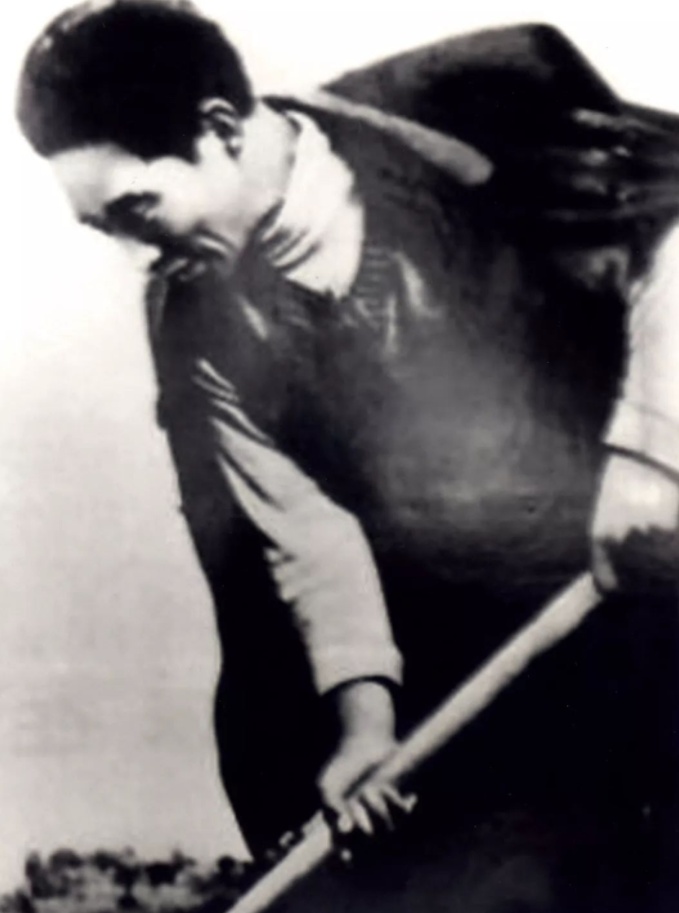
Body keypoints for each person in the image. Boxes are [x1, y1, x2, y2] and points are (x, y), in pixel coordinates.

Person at [16, 2, 679, 910]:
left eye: (138, 209)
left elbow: (668, 225)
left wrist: (653, 448)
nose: (137, 257)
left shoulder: (474, 108)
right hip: (500, 625)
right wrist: (365, 720)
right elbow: (306, 532)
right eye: (105, 230)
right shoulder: (196, 324)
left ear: (220, 129)